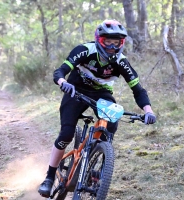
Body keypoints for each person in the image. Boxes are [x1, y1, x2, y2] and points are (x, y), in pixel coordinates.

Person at [38, 19, 156, 197]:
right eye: (108, 41)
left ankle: (98, 165)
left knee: (111, 124)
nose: (112, 46)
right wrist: (63, 82)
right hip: (75, 90)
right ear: (99, 40)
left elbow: (138, 90)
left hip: (101, 94)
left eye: (116, 42)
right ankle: (49, 177)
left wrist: (148, 110)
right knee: (66, 134)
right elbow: (60, 71)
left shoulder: (121, 62)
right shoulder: (85, 50)